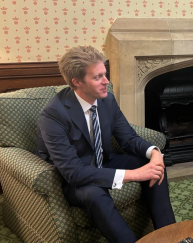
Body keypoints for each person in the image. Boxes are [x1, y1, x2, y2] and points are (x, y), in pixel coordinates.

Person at [37, 46, 175, 243]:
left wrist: (153, 152)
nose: (106, 82)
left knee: (155, 167)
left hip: (104, 162)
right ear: (77, 82)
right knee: (94, 193)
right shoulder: (53, 114)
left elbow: (128, 138)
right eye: (98, 77)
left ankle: (169, 235)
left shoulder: (107, 100)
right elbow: (73, 172)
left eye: (105, 74)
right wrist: (135, 174)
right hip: (73, 179)